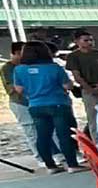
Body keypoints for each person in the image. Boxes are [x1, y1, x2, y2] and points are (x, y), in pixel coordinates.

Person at [12, 41, 85, 173]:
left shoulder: (19, 69)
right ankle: (72, 164)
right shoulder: (54, 67)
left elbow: (19, 89)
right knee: (64, 135)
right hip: (58, 103)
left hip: (35, 105)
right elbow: (67, 86)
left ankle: (50, 166)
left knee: (43, 136)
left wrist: (32, 93)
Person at [4, 42, 64, 160]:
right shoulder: (9, 68)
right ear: (16, 53)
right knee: (31, 130)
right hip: (21, 103)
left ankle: (57, 154)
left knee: (48, 130)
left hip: (37, 101)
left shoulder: (33, 66)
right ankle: (40, 158)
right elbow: (13, 89)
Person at [65, 29, 98, 138]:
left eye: (91, 40)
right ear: (77, 41)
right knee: (93, 118)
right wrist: (90, 89)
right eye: (85, 40)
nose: (89, 42)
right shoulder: (73, 56)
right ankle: (97, 143)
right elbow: (77, 76)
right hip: (88, 89)